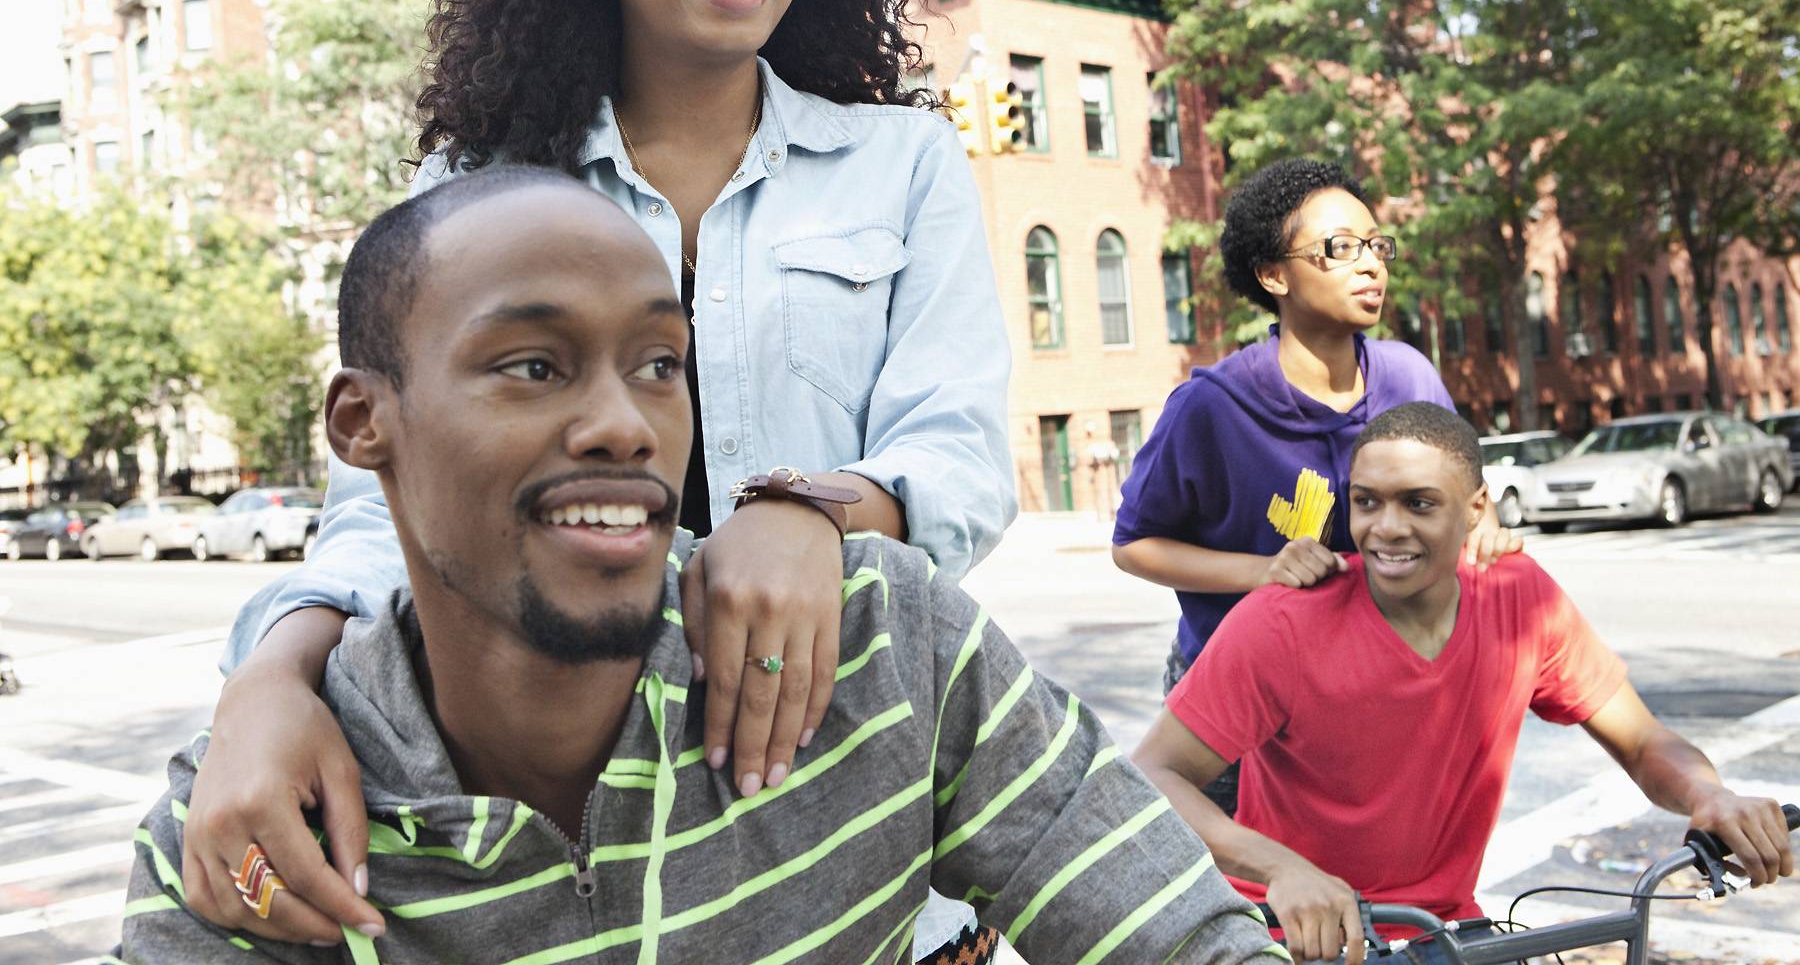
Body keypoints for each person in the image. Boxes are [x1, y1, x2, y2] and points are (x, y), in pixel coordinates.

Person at [179, 0, 1014, 959]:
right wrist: (267, 681)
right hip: (580, 861)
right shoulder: (479, 186)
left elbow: (963, 454)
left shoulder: (907, 162)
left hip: (858, 818)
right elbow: (384, 503)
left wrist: (812, 516)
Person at [120, 168, 1284, 965]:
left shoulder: (885, 645)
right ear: (363, 422)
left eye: (660, 363)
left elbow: (1183, 936)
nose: (625, 423)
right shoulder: (253, 825)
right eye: (532, 365)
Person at [1132, 402, 1793, 965]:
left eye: (1418, 503)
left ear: (1477, 508)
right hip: (1292, 934)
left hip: (1445, 934)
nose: (1386, 528)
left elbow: (1643, 741)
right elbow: (1155, 775)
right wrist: (1280, 869)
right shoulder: (1284, 621)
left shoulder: (1520, 598)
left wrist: (1710, 795)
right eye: (1367, 502)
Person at [1111, 158, 1517, 815]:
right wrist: (1266, 569)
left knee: (1368, 898)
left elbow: (1468, 494)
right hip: (1235, 706)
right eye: (1339, 249)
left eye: (1375, 246)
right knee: (1240, 902)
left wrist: (1485, 525)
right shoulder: (1211, 407)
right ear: (1274, 275)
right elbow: (1135, 545)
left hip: (1372, 695)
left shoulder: (1410, 377)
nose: (1371, 265)